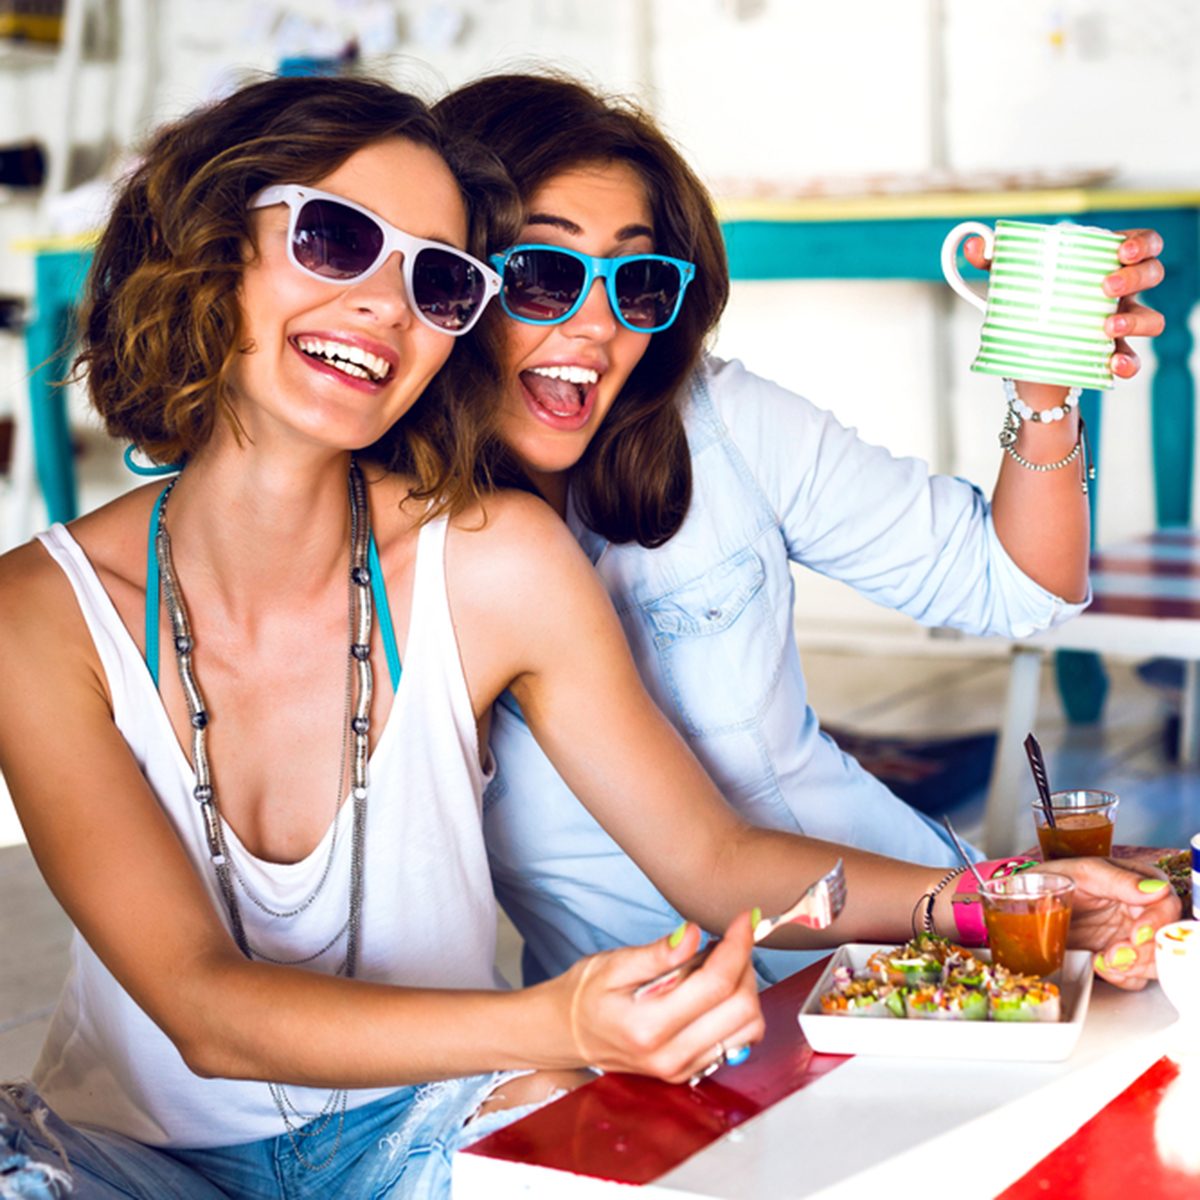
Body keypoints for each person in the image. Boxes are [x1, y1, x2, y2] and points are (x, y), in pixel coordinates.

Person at [0, 74, 1176, 1200]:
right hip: (187, 1132)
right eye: (339, 241)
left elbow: (715, 861)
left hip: (503, 1081)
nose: (383, 304)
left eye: (437, 280)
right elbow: (201, 1010)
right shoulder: (41, 613)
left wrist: (998, 898)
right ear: (213, 251)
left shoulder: (512, 548)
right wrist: (558, 1019)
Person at [434, 72, 1169, 986]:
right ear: (446, 283)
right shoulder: (403, 548)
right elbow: (713, 865)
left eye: (638, 278)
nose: (596, 324)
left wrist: (1046, 389)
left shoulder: (717, 422)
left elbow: (1019, 587)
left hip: (914, 952)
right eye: (541, 275)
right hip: (674, 1039)